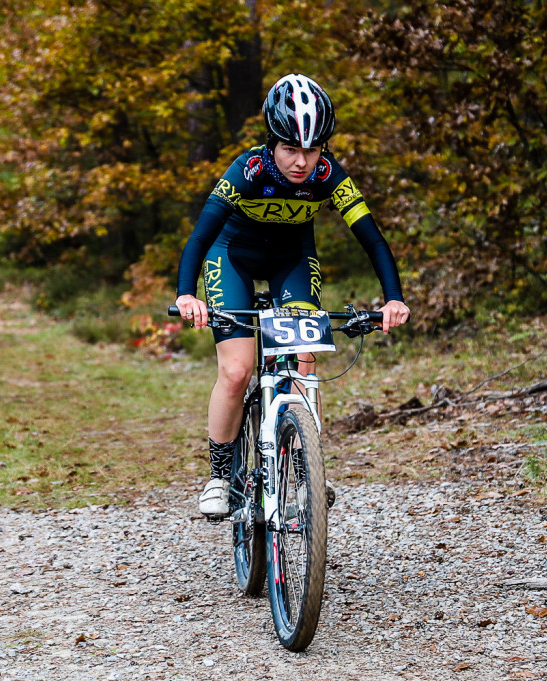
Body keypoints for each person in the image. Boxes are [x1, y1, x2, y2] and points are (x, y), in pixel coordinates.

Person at [174, 74, 411, 516]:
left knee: (304, 361)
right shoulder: (248, 170)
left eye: (312, 149)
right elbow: (201, 237)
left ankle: (307, 476)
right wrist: (188, 293)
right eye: (290, 149)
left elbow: (372, 239)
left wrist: (392, 297)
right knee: (238, 370)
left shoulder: (328, 176)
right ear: (272, 142)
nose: (301, 161)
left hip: (292, 261)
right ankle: (220, 477)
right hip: (233, 260)